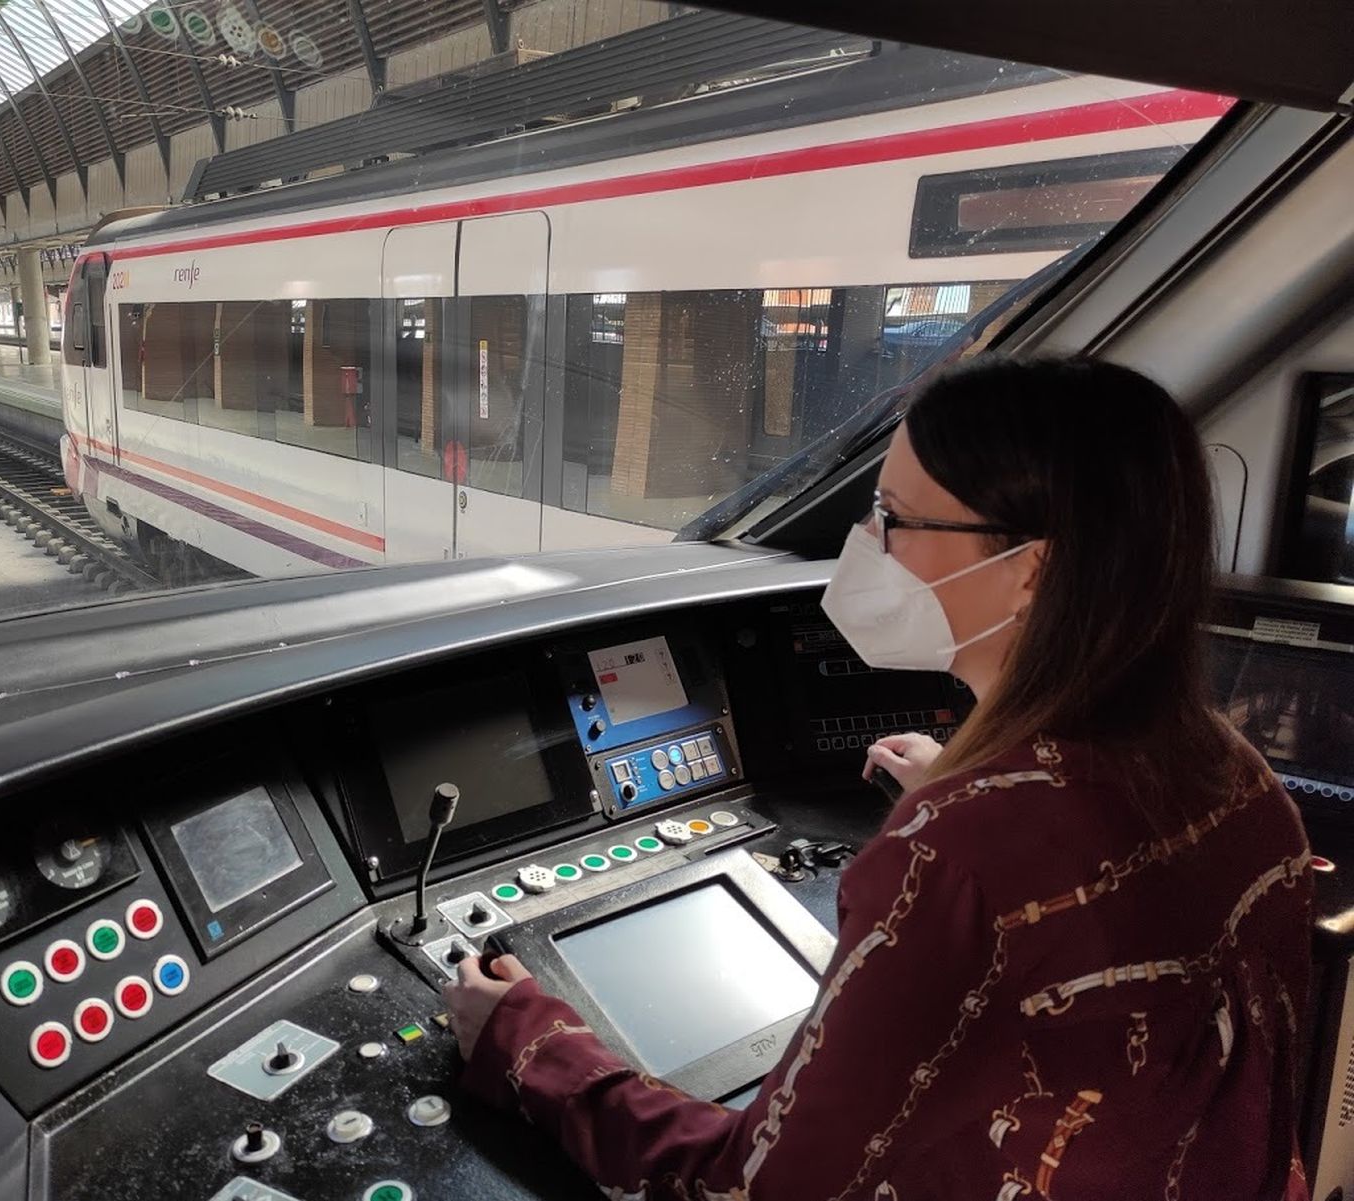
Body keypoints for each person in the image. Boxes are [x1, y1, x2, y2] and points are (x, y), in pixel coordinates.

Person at [444, 356, 1313, 1200]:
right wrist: (967, 787)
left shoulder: (958, 853)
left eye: (892, 515)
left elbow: (756, 1184)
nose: (865, 542)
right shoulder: (1232, 771)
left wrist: (532, 1044)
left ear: (1030, 568)